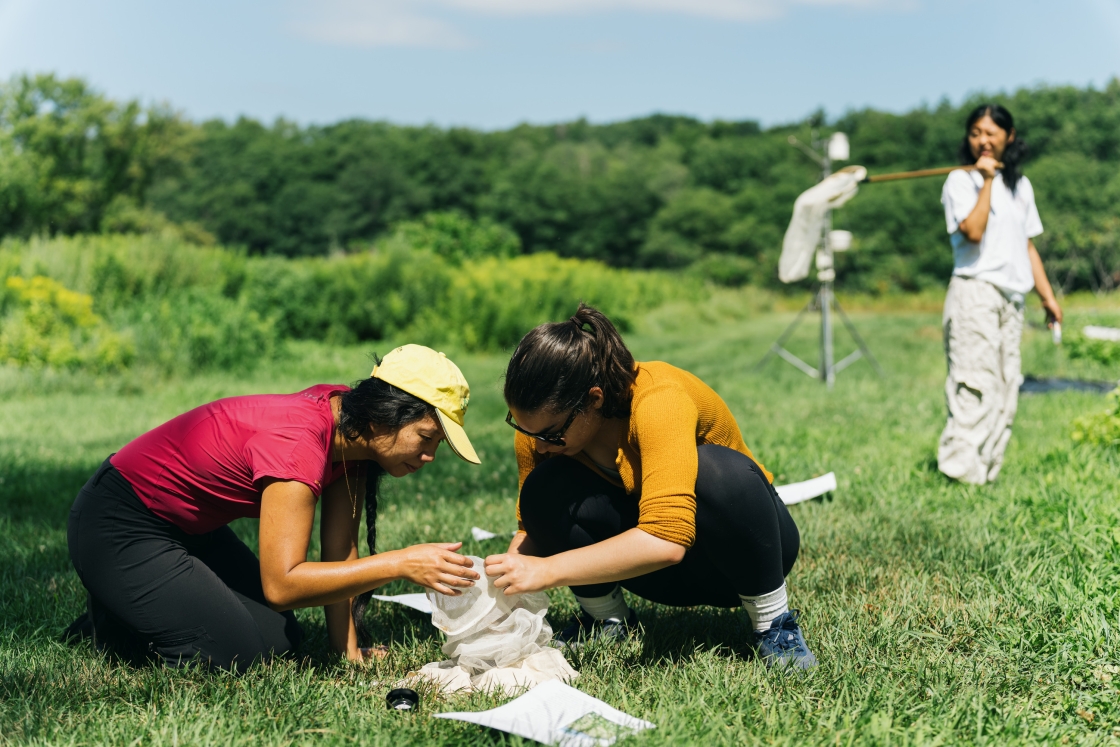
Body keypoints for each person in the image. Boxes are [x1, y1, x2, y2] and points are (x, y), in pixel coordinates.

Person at [65, 344, 481, 672]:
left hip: (187, 531)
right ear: (384, 417)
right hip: (119, 524)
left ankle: (144, 602)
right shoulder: (299, 445)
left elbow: (340, 551)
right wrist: (399, 563)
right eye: (426, 437)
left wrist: (348, 652)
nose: (429, 455)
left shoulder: (354, 432)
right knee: (235, 655)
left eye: (437, 444)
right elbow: (282, 585)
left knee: (280, 641)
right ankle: (117, 613)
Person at [483, 304, 816, 669]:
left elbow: (668, 540)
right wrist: (501, 578)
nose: (538, 444)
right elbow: (534, 525)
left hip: (744, 558)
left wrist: (545, 572)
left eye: (551, 434)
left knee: (716, 469)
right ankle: (607, 621)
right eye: (522, 427)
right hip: (656, 576)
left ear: (594, 399)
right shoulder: (541, 430)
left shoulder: (660, 401)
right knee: (542, 489)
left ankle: (773, 624)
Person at [937, 104, 1063, 485]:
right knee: (976, 382)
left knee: (1008, 384)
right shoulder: (961, 181)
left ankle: (986, 473)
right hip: (975, 292)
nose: (983, 140)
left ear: (1009, 136)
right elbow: (973, 232)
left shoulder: (1021, 186)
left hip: (1013, 298)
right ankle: (959, 475)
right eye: (975, 133)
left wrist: (1048, 298)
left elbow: (1026, 247)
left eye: (991, 133)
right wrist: (986, 181)